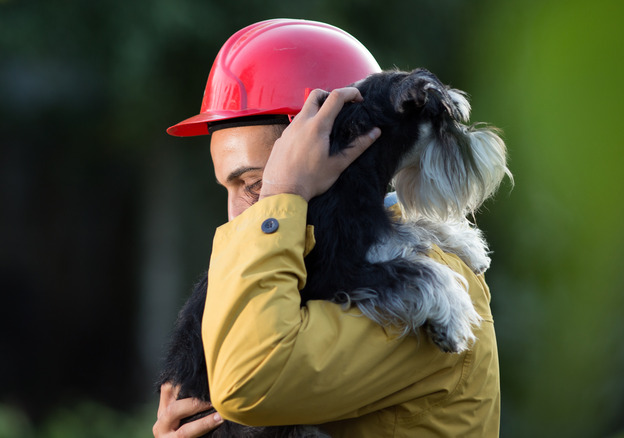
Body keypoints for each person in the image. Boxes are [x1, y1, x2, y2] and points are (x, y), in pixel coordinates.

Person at [153, 19, 500, 437]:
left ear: (341, 148)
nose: (235, 217)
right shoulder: (309, 265)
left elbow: (246, 381)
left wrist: (284, 191)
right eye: (230, 188)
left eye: (256, 184)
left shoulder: (427, 285)